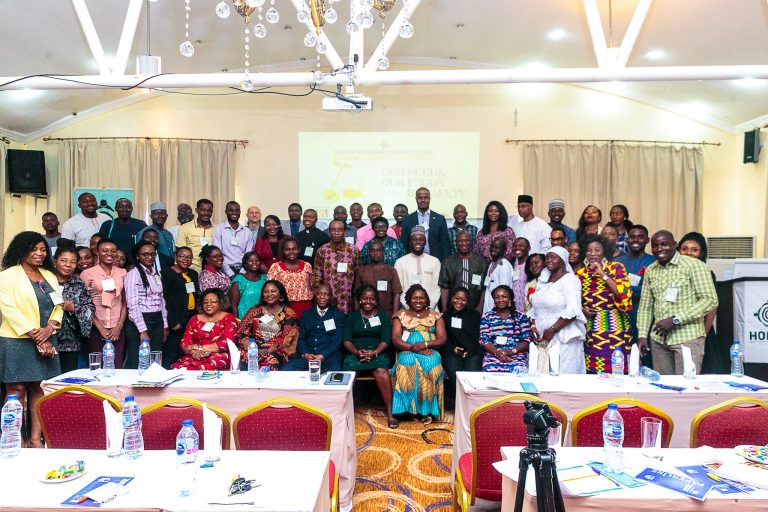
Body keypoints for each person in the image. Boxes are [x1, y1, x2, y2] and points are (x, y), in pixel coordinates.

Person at [0, 232, 63, 448]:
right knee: (16, 390)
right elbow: (9, 309)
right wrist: (38, 337)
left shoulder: (49, 276)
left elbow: (59, 306)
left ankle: (36, 439)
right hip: (17, 340)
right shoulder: (7, 276)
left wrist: (50, 328)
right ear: (21, 251)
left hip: (47, 336)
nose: (39, 253)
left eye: (43, 249)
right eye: (34, 249)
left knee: (40, 389)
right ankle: (14, 439)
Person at [637, 231, 718, 376]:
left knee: (686, 386)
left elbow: (710, 300)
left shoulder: (695, 265)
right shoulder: (651, 270)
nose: (659, 249)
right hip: (659, 340)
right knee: (663, 386)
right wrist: (642, 335)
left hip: (687, 338)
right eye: (655, 246)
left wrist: (676, 319)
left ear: (675, 245)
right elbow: (645, 306)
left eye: (664, 244)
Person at [576, 235, 633, 374]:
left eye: (597, 250)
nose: (593, 254)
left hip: (616, 327)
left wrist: (603, 274)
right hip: (591, 328)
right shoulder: (580, 274)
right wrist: (582, 310)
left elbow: (623, 294)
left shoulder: (616, 267)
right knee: (594, 369)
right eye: (589, 250)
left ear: (604, 252)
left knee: (617, 368)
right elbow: (574, 301)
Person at [390, 285, 446, 424]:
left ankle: (426, 411)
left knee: (431, 364)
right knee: (406, 363)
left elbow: (442, 339)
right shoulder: (400, 315)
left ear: (427, 300)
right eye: (415, 298)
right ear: (409, 299)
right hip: (406, 349)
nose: (418, 301)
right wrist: (415, 348)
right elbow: (395, 339)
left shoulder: (436, 316)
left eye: (422, 298)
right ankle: (407, 410)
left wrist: (425, 344)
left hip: (430, 349)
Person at [343, 285, 397, 427]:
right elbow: (346, 340)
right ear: (360, 300)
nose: (368, 301)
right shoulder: (352, 316)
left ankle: (390, 413)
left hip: (378, 351)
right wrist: (357, 352)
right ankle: (344, 412)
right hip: (356, 351)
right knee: (349, 373)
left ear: (376, 301)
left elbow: (386, 339)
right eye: (365, 298)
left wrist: (375, 352)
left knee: (381, 371)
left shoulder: (382, 316)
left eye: (372, 299)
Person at [528, 247, 587, 374]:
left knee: (563, 374)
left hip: (563, 337)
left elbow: (573, 310)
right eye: (547, 257)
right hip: (543, 338)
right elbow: (535, 308)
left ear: (563, 260)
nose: (549, 260)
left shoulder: (570, 280)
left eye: (553, 257)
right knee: (544, 373)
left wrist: (552, 330)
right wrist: (533, 326)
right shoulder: (543, 281)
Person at [680, 232, 722, 373]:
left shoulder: (706, 273)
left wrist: (703, 334)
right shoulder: (673, 271)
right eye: (684, 249)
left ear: (701, 253)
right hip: (676, 329)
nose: (688, 253)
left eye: (694, 250)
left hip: (699, 330)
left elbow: (711, 308)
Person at [81, 238, 127, 365]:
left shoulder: (122, 272)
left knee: (116, 366)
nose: (109, 254)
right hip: (95, 327)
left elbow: (125, 302)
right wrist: (100, 328)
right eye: (105, 251)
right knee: (97, 366)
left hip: (117, 327)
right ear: (97, 252)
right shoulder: (87, 273)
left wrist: (119, 326)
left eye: (113, 251)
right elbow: (84, 304)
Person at [615, 225, 656, 366]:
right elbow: (611, 288)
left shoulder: (653, 262)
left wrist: (624, 290)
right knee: (622, 357)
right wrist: (632, 290)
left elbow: (652, 290)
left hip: (644, 316)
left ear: (647, 240)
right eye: (632, 237)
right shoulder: (618, 262)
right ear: (627, 240)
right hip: (620, 316)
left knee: (645, 357)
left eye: (640, 237)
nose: (635, 240)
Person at [235, 280, 299, 370]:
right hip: (253, 348)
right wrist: (254, 349)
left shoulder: (288, 313)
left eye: (273, 291)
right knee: (243, 359)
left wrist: (268, 351)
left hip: (277, 351)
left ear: (281, 294)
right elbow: (241, 333)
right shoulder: (254, 311)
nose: (269, 294)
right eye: (266, 292)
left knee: (272, 361)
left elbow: (288, 339)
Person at [123, 240, 168, 369]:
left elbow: (161, 300)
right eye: (145, 254)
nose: (150, 257)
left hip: (157, 319)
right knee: (139, 361)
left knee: (155, 360)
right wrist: (142, 331)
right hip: (140, 321)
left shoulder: (155, 273)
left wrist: (164, 325)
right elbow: (133, 305)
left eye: (153, 254)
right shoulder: (133, 274)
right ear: (138, 256)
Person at [171, 288, 238, 371]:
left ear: (220, 303)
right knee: (180, 367)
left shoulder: (228, 318)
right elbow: (185, 343)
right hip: (195, 355)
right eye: (205, 302)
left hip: (219, 355)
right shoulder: (195, 319)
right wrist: (193, 352)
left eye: (212, 301)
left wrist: (199, 348)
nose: (208, 304)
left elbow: (227, 343)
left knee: (206, 366)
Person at [283, 284, 346, 371]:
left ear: (331, 297)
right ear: (315, 296)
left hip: (329, 356)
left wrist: (323, 355)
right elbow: (301, 338)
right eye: (319, 294)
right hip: (308, 356)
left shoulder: (338, 315)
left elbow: (337, 340)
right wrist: (305, 354)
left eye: (326, 294)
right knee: (286, 369)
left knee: (335, 373)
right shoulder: (306, 314)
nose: (322, 297)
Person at [52, 246, 94, 374]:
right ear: (55, 261)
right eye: (63, 260)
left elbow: (90, 307)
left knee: (67, 378)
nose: (68, 265)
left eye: (73, 261)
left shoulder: (78, 283)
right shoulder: (45, 281)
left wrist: (74, 308)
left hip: (70, 342)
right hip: (47, 339)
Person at [441, 287, 482, 406]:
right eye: (456, 298)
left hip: (472, 351)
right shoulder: (446, 316)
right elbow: (443, 337)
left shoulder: (475, 316)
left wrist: (469, 351)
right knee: (454, 373)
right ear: (451, 298)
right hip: (452, 350)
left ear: (467, 301)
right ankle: (459, 403)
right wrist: (452, 348)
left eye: (463, 299)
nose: (459, 302)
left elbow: (479, 337)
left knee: (472, 374)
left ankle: (472, 404)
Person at [162, 246, 199, 369]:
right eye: (182, 256)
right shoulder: (167, 273)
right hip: (175, 318)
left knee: (186, 351)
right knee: (172, 351)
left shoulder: (193, 274)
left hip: (190, 317)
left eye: (189, 257)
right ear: (176, 257)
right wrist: (172, 321)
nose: (186, 260)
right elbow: (164, 299)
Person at [312, 220, 361, 314]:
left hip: (348, 299)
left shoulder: (353, 250)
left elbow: (358, 274)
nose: (336, 232)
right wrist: (319, 296)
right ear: (329, 232)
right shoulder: (322, 250)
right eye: (333, 230)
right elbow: (317, 276)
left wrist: (356, 296)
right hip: (328, 298)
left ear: (344, 232)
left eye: (340, 230)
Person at [479, 285, 531, 373]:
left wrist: (509, 352)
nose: (500, 300)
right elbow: (484, 340)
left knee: (518, 371)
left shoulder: (521, 316)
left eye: (504, 296)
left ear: (510, 298)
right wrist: (498, 354)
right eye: (497, 297)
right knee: (490, 369)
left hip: (517, 353)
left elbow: (526, 340)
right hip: (493, 353)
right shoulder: (487, 317)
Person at [439, 230, 487, 312]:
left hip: (474, 308)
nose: (464, 243)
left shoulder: (481, 262)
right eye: (460, 241)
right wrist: (444, 309)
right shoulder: (447, 262)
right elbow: (444, 288)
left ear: (471, 242)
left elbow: (484, 287)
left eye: (467, 240)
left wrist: (480, 307)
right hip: (453, 308)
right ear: (455, 243)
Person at [394, 226, 441, 309]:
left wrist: (431, 306)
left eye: (421, 239)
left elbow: (437, 287)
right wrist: (408, 306)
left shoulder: (434, 261)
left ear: (425, 242)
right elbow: (399, 289)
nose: (418, 242)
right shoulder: (400, 262)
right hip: (407, 309)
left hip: (431, 309)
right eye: (414, 239)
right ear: (410, 242)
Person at [267, 237, 314, 318]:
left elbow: (312, 286)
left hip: (306, 308)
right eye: (288, 249)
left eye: (294, 249)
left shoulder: (307, 266)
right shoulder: (276, 267)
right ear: (283, 251)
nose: (291, 252)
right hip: (284, 307)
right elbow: (270, 290)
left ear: (299, 250)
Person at [354, 240, 403, 318]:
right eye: (372, 250)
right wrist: (357, 315)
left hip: (387, 314)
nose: (375, 253)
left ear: (383, 253)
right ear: (368, 252)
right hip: (365, 314)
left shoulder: (391, 270)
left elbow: (396, 293)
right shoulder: (361, 271)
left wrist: (394, 316)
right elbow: (356, 294)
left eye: (378, 250)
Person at [400, 187, 450, 261]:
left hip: (435, 260)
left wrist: (446, 262)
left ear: (429, 199)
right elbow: (404, 244)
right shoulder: (408, 219)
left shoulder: (440, 219)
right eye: (420, 198)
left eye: (426, 198)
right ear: (416, 199)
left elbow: (445, 244)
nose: (423, 200)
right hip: (413, 260)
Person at [212, 201, 251, 277]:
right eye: (231, 210)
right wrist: (229, 272)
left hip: (244, 270)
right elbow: (218, 253)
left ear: (240, 212)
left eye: (237, 210)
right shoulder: (219, 229)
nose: (234, 213)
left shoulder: (247, 231)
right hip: (224, 271)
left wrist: (242, 272)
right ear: (226, 212)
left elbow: (248, 254)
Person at [175, 199, 214, 272]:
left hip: (211, 271)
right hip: (190, 270)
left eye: (209, 210)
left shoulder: (217, 229)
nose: (206, 213)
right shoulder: (185, 228)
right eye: (203, 210)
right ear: (197, 210)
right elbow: (180, 252)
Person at [482, 237, 516, 314]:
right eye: (492, 247)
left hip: (498, 309)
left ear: (504, 250)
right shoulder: (492, 264)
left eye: (497, 248)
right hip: (489, 305)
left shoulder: (504, 266)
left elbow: (504, 292)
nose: (493, 249)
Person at [230, 251, 266, 320]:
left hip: (263, 319)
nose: (254, 262)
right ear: (245, 264)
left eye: (257, 260)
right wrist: (237, 322)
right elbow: (234, 305)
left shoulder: (265, 278)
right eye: (250, 261)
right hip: (244, 320)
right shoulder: (239, 280)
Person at [510, 238, 530, 312]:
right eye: (514, 246)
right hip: (514, 308)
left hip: (526, 308)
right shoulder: (513, 265)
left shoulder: (530, 265)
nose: (517, 248)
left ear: (529, 248)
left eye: (521, 245)